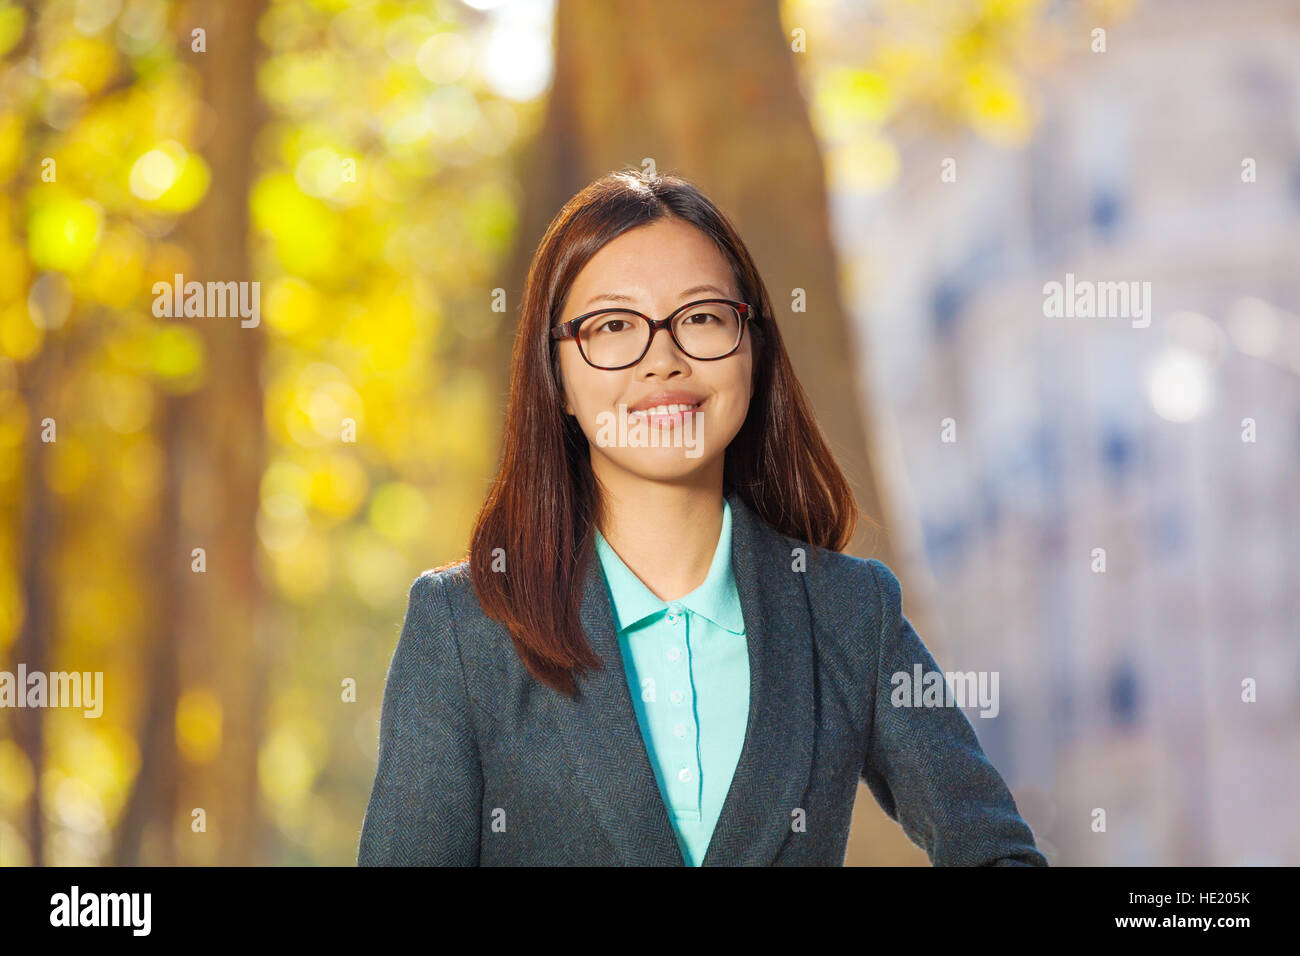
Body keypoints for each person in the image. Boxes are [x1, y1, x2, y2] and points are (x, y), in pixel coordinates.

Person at [357, 169, 1047, 867]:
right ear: (556, 377)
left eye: (702, 318)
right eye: (614, 326)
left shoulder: (849, 613)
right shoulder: (464, 628)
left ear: (753, 350)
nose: (663, 359)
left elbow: (998, 854)